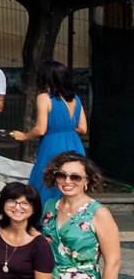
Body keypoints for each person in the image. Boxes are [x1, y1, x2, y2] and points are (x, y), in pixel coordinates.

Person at [11, 58, 87, 200]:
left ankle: (43, 219)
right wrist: (65, 127)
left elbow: (41, 129)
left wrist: (24, 136)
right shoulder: (75, 98)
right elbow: (83, 129)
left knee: (46, 183)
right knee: (71, 185)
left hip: (52, 145)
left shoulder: (44, 98)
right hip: (75, 145)